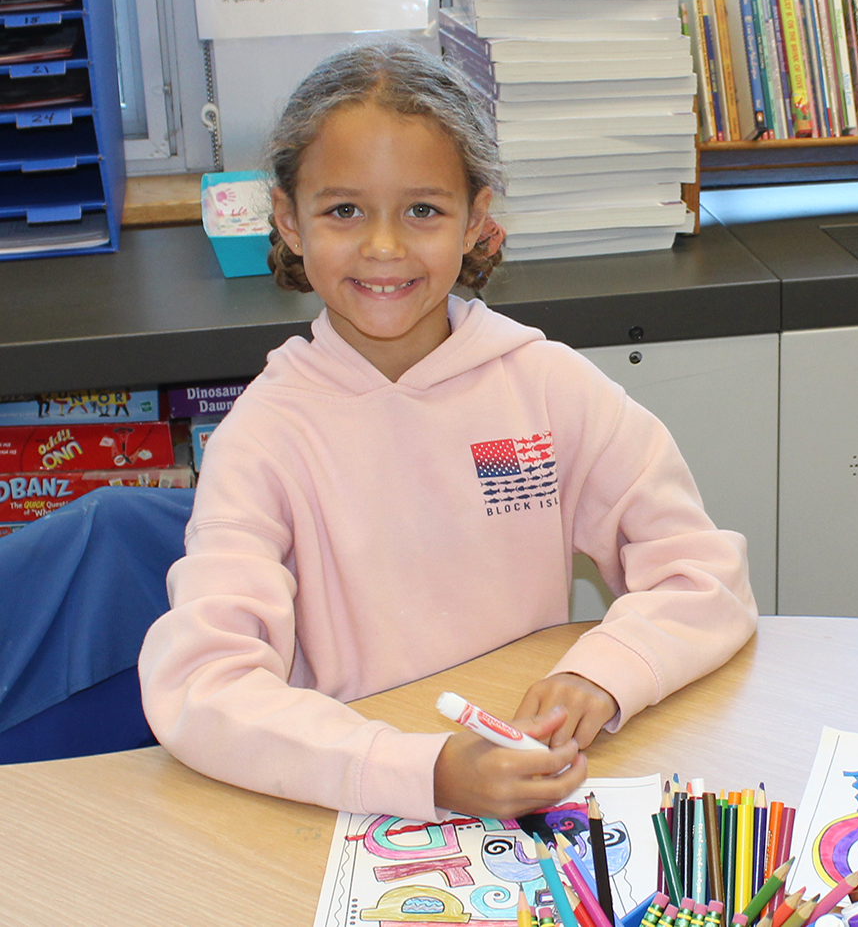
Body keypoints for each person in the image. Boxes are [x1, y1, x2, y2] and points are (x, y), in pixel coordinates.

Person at [139, 42, 756, 823]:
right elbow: (199, 685)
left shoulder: (547, 386)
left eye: (423, 210)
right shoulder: (265, 436)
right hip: (355, 804)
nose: (385, 247)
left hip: (525, 774)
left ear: (478, 219)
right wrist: (415, 772)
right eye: (344, 210)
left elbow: (702, 572)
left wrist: (605, 674)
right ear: (289, 220)